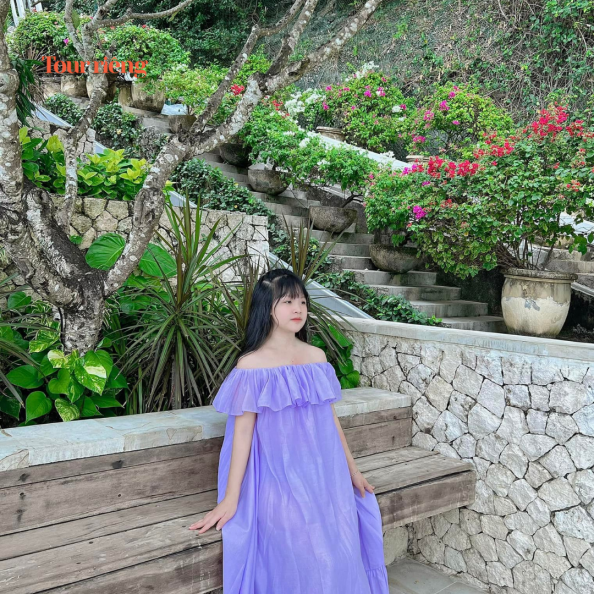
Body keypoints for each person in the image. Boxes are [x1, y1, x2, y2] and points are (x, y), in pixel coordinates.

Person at [189, 268, 389, 593]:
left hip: (322, 472)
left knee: (339, 541)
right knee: (298, 542)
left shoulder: (316, 358)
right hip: (274, 474)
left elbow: (330, 421)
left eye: (302, 302)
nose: (298, 309)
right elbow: (242, 435)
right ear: (267, 308)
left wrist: (353, 472)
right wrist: (231, 498)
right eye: (287, 302)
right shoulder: (251, 365)